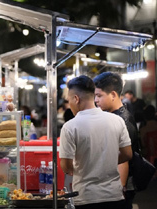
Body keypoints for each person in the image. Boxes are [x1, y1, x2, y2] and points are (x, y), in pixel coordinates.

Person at [60, 75, 132, 208]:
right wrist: (106, 161)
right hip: (115, 197)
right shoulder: (116, 120)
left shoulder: (70, 127)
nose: (69, 105)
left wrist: (87, 164)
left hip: (87, 198)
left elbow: (66, 166)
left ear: (76, 99)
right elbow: (127, 154)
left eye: (69, 100)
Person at [93, 72, 139, 209]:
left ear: (113, 95)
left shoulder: (122, 120)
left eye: (99, 95)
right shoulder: (115, 115)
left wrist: (121, 188)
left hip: (121, 186)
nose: (96, 100)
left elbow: (123, 157)